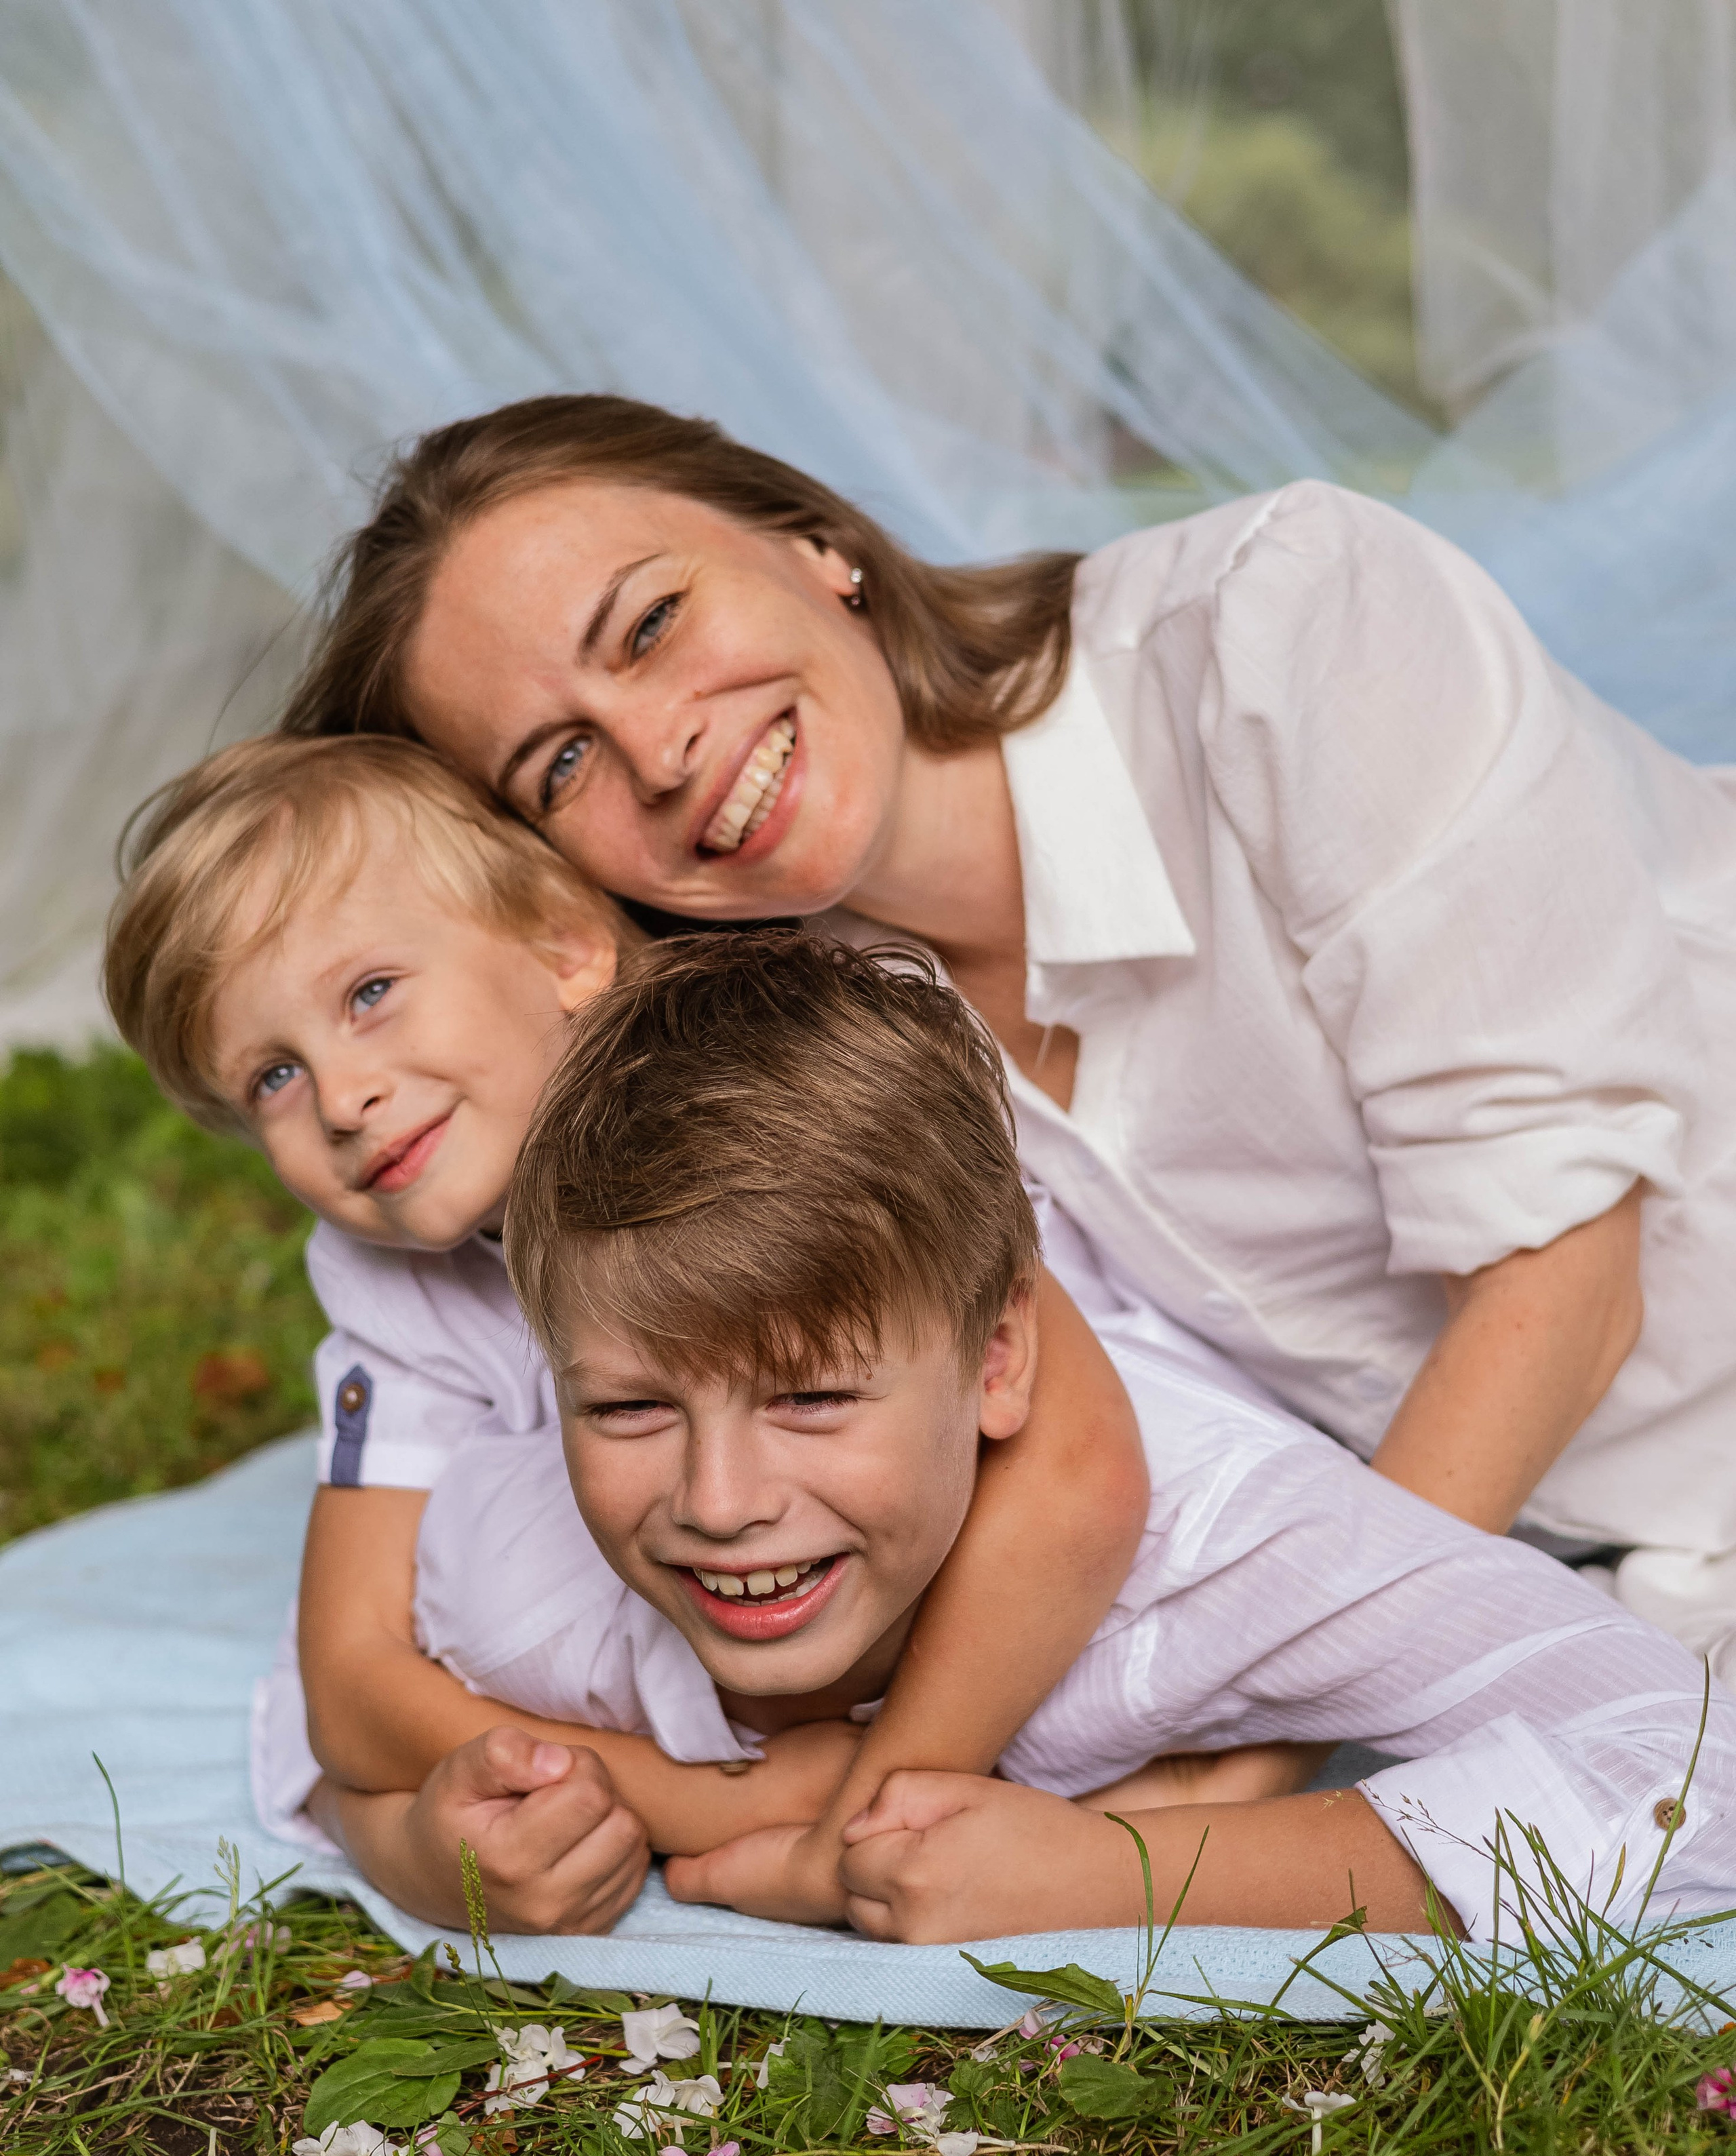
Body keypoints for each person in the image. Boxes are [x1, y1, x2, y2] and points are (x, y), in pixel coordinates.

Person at [281, 395, 1736, 1668]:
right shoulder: (796, 1056)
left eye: (652, 625)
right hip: (1620, 1557)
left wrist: (1250, 1755)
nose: (660, 751)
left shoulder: (1289, 623)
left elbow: (1562, 1279)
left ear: (813, 543)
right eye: (562, 762)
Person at [102, 731, 1188, 1934]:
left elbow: (1081, 1474)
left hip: (1072, 1577)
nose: (343, 1097)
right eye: (272, 1079)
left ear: (567, 948)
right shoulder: (391, 1281)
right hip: (778, 1662)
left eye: (370, 994)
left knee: (1162, 1696)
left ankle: (1191, 1805)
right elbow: (349, 1687)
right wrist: (653, 1806)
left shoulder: (771, 1097)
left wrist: (862, 1814)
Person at [448, 926, 1731, 1945]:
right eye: (627, 1407)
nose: (718, 1501)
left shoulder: (1225, 1543)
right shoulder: (528, 1559)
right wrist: (413, 1836)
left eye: (810, 1398)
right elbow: (348, 1711)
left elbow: (1697, 1777)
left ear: (1001, 1360)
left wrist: (1121, 1869)